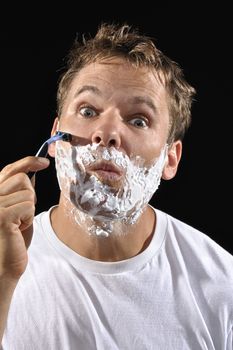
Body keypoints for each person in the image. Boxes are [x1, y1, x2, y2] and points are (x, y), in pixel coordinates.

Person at [0, 22, 232, 350]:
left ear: (170, 159)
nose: (106, 132)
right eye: (88, 110)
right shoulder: (3, 261)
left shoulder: (222, 286)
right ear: (54, 138)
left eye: (138, 120)